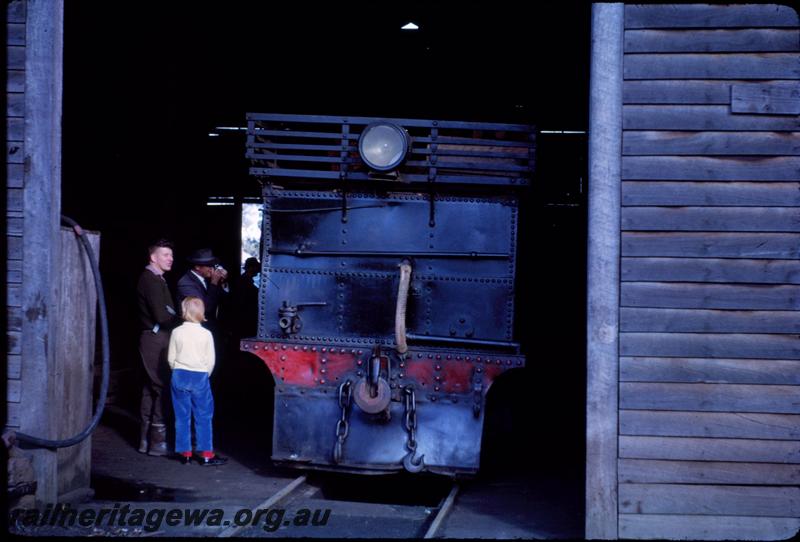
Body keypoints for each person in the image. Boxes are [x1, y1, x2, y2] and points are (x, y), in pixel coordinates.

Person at [168, 296, 227, 466]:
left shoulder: (176, 332)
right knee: (203, 415)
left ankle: (185, 453)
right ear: (201, 313)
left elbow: (171, 358)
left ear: (184, 311)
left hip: (179, 374)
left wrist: (177, 370)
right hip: (199, 375)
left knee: (182, 416)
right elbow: (211, 361)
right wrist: (204, 374)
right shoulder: (206, 334)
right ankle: (206, 454)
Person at [136, 238, 180, 456]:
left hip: (157, 337)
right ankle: (158, 442)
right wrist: (177, 314)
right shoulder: (151, 280)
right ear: (153, 257)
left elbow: (166, 311)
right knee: (161, 386)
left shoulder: (158, 279)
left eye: (171, 255)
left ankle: (146, 441)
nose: (170, 259)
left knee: (150, 388)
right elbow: (163, 315)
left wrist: (170, 311)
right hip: (155, 337)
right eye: (165, 255)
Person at [176, 248, 228, 335]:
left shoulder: (207, 279)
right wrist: (214, 282)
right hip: (195, 333)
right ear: (197, 267)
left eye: (213, 266)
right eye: (208, 265)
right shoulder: (185, 283)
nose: (212, 269)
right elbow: (204, 309)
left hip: (210, 329)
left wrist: (223, 281)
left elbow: (225, 300)